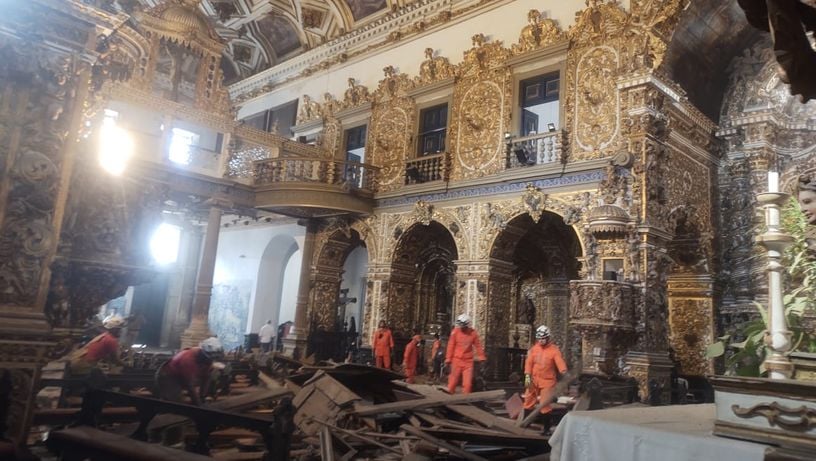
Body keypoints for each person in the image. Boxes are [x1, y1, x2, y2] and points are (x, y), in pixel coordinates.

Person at [523, 325, 568, 434]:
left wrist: (563, 371)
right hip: (533, 378)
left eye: (543, 338)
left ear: (548, 338)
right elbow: (528, 364)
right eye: (539, 339)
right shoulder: (534, 349)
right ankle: (526, 422)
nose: (541, 341)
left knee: (544, 404)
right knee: (528, 398)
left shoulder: (554, 350)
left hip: (547, 381)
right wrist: (527, 378)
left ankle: (546, 428)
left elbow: (559, 361)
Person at [155, 337, 226, 406]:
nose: (211, 361)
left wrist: (202, 397)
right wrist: (199, 405)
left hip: (183, 375)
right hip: (168, 376)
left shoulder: (206, 359)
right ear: (203, 354)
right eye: (211, 358)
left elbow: (206, 378)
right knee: (174, 403)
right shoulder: (188, 360)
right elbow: (190, 386)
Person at [445, 314, 486, 394]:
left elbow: (478, 346)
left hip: (468, 362)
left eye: (462, 325)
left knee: (467, 384)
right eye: (460, 325)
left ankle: (466, 399)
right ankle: (448, 398)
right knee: (453, 382)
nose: (461, 327)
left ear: (467, 324)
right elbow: (450, 346)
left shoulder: (473, 333)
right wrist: (448, 359)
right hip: (456, 360)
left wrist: (482, 358)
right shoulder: (455, 332)